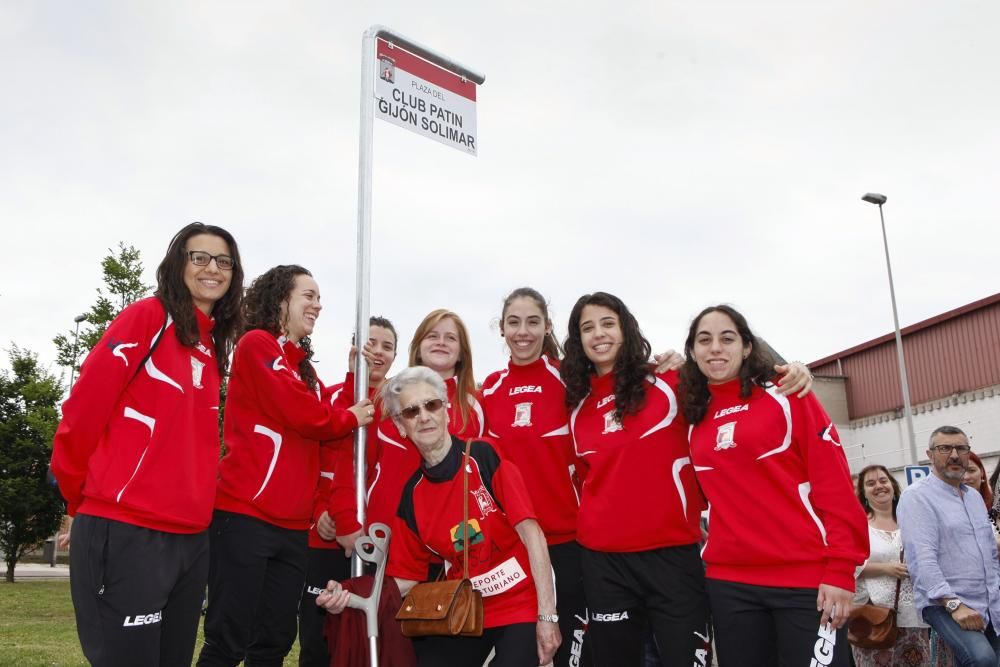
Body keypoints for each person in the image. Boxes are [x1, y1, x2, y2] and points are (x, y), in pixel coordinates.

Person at [50, 222, 244, 666]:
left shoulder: (210, 345)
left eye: (224, 261)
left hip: (191, 538)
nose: (212, 268)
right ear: (178, 264)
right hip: (127, 528)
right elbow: (83, 408)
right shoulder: (149, 316)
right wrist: (77, 498)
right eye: (200, 257)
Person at [318, 366, 561, 667]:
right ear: (400, 425)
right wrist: (349, 593)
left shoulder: (485, 456)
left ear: (446, 410)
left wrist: (547, 616)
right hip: (463, 610)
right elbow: (404, 579)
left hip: (520, 605)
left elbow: (532, 535)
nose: (423, 416)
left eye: (431, 405)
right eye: (411, 411)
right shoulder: (412, 496)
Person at [197, 265, 374, 667]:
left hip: (292, 527)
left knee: (275, 640)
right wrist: (349, 416)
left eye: (318, 297)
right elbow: (306, 414)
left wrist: (352, 377)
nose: (317, 304)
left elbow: (326, 428)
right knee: (228, 638)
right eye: (308, 296)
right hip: (244, 515)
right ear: (281, 299)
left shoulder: (303, 368)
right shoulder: (257, 344)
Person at [680, 304, 868, 667]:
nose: (715, 348)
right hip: (729, 585)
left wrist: (842, 570)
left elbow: (835, 487)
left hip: (805, 584)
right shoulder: (692, 415)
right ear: (692, 352)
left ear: (747, 347)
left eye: (727, 338)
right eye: (704, 340)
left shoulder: (788, 395)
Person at [478, 287, 590, 667]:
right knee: (522, 654)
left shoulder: (570, 380)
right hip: (514, 547)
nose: (522, 331)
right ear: (502, 330)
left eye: (532, 322)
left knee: (571, 654)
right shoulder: (489, 389)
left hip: (568, 541)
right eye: (514, 322)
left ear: (547, 327)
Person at [330, 308, 484, 558]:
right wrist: (346, 520)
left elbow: (482, 479)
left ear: (462, 352)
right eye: (433, 335)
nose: (441, 342)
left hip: (447, 548)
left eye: (451, 337)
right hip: (383, 543)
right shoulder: (386, 397)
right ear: (419, 345)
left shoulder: (474, 406)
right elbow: (351, 462)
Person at [298, 316, 399, 667]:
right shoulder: (329, 398)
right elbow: (311, 464)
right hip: (322, 537)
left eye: (387, 346)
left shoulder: (397, 406)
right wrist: (319, 512)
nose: (378, 353)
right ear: (355, 347)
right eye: (371, 343)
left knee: (365, 638)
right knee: (317, 641)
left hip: (372, 542)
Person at [898, 425, 1000, 667]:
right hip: (944, 602)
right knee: (982, 660)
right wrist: (954, 604)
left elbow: (989, 553)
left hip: (990, 600)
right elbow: (922, 559)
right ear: (930, 455)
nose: (954, 455)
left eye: (961, 448)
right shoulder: (917, 497)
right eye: (945, 448)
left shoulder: (974, 498)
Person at [853, 464, 931, 666]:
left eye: (883, 480)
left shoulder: (911, 521)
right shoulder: (858, 525)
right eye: (871, 483)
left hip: (913, 613)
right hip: (874, 616)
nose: (879, 486)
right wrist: (885, 568)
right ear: (863, 493)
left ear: (893, 485)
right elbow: (847, 565)